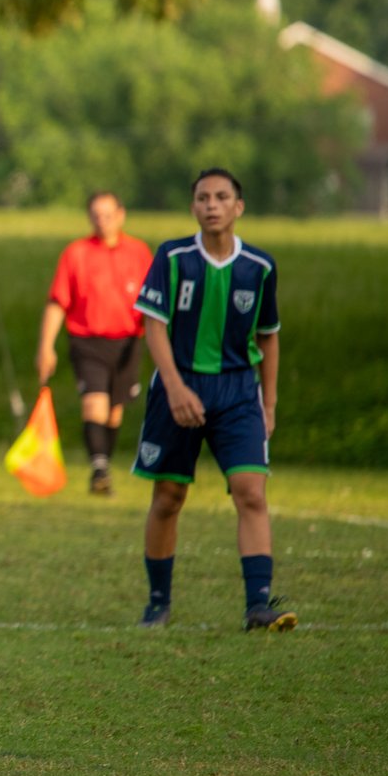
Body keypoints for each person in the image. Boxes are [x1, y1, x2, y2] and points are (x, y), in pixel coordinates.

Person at [129, 168, 291, 631]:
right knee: (169, 496)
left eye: (222, 197)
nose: (212, 205)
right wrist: (176, 388)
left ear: (238, 207)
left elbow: (270, 335)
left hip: (239, 391)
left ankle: (258, 605)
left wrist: (270, 404)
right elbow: (153, 324)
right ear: (193, 207)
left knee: (251, 492)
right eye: (203, 197)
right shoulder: (173, 257)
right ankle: (158, 604)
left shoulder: (258, 267)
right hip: (179, 386)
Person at [35, 191, 156, 497]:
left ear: (121, 215)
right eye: (96, 215)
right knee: (95, 402)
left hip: (127, 342)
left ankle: (104, 464)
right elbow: (57, 302)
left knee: (114, 411)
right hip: (87, 340)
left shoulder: (139, 253)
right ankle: (99, 469)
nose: (103, 221)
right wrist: (45, 345)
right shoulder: (76, 253)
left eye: (108, 214)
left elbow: (154, 305)